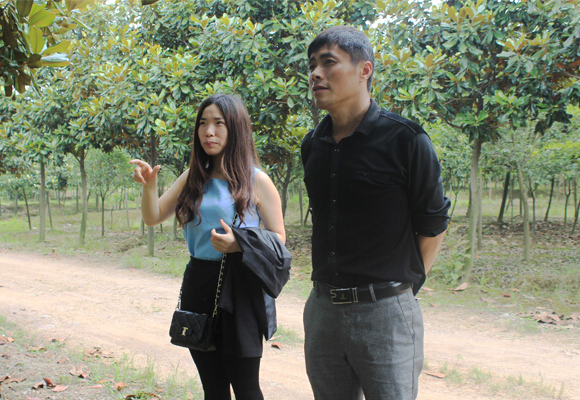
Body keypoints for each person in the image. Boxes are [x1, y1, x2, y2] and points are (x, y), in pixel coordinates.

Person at [301, 26, 451, 400]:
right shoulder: (313, 145)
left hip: (385, 313)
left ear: (364, 70)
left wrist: (400, 292)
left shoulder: (405, 139)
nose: (316, 73)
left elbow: (433, 225)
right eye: (312, 65)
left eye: (328, 62)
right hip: (322, 310)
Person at [131, 94, 286, 400]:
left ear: (236, 128)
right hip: (199, 283)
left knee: (246, 387)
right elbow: (152, 217)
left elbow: (279, 237)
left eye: (218, 123)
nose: (209, 132)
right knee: (213, 388)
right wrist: (149, 187)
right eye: (203, 123)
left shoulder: (257, 181)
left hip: (240, 287)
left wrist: (240, 244)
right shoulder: (192, 178)